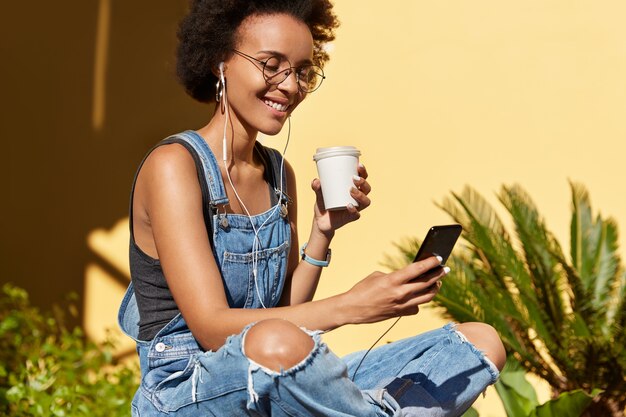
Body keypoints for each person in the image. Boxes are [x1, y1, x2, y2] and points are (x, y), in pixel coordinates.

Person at [118, 1, 506, 416]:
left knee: (478, 342)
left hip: (272, 367)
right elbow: (212, 328)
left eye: (302, 71)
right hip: (186, 390)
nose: (289, 85)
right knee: (277, 343)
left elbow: (282, 309)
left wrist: (323, 232)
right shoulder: (174, 166)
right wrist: (351, 307)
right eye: (271, 64)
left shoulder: (278, 173)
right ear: (220, 64)